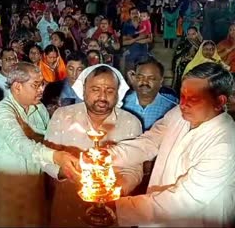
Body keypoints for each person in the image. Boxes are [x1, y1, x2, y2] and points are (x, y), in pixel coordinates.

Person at [109, 62, 235, 226]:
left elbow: (186, 200)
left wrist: (117, 208)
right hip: (156, 213)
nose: (183, 104)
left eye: (194, 98)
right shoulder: (178, 114)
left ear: (219, 101)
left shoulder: (225, 144)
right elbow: (150, 142)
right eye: (183, 95)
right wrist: (108, 156)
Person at [0, 62, 80, 227]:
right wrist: (56, 156)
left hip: (34, 188)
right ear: (17, 86)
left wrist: (62, 171)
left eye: (42, 84)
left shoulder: (39, 109)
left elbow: (44, 146)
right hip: (7, 189)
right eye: (36, 85)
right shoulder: (3, 111)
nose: (42, 90)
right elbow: (20, 144)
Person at [44, 64, 143, 227]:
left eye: (110, 91)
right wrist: (70, 174)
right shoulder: (63, 115)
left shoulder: (131, 122)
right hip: (68, 206)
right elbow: (46, 158)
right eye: (95, 89)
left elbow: (134, 170)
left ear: (118, 94)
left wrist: (112, 192)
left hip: (112, 211)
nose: (102, 96)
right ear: (83, 90)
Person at [125, 57, 178, 131]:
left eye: (151, 78)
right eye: (140, 77)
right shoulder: (121, 103)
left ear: (161, 81)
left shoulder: (171, 108)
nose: (144, 82)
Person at [42, 51, 86, 115]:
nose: (74, 74)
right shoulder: (52, 88)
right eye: (71, 69)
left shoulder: (91, 90)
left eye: (79, 70)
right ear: (65, 68)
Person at [172, 26, 202, 93]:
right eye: (189, 34)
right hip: (183, 71)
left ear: (197, 34)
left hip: (197, 73)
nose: (191, 36)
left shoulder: (202, 46)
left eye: (193, 34)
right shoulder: (182, 45)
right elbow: (176, 58)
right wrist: (184, 58)